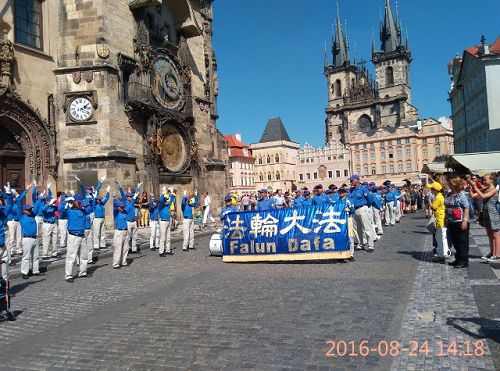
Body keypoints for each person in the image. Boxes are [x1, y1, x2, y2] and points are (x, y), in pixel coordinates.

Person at [59, 195, 91, 282]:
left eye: (79, 202)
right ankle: (68, 275)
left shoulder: (83, 211)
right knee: (71, 256)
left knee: (84, 256)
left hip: (82, 235)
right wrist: (65, 201)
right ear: (73, 203)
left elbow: (90, 207)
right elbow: (60, 209)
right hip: (73, 236)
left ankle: (83, 272)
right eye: (76, 202)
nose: (78, 203)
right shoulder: (69, 211)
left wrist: (88, 198)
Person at [469, 174, 500, 263]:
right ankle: (491, 253)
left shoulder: (494, 190)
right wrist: (471, 188)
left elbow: (482, 196)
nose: (483, 182)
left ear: (491, 180)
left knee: (495, 235)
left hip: (492, 212)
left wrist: (476, 187)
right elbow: (473, 195)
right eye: (483, 180)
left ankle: (497, 254)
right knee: (490, 234)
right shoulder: (485, 188)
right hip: (486, 212)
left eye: (485, 180)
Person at [444, 176, 470, 267]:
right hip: (451, 221)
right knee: (455, 241)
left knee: (462, 242)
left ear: (455, 185)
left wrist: (465, 221)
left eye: (450, 184)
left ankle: (464, 261)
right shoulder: (449, 194)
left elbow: (466, 207)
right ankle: (458, 258)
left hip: (460, 220)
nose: (448, 185)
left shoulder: (461, 194)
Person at [349, 175, 375, 252]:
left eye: (352, 180)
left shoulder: (363, 188)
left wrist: (366, 206)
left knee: (367, 227)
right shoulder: (352, 190)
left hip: (362, 208)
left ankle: (371, 245)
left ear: (357, 180)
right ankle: (361, 244)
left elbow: (370, 199)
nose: (350, 182)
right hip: (355, 210)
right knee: (357, 229)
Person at [117, 181, 142, 253]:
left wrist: (138, 187)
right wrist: (120, 186)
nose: (131, 197)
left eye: (131, 196)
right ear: (127, 197)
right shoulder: (124, 202)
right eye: (129, 196)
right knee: (127, 237)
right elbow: (122, 193)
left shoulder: (132, 202)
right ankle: (127, 249)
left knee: (135, 236)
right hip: (128, 222)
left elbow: (136, 194)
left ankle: (134, 249)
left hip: (134, 221)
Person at [427, 181, 449, 261]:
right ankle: (444, 253)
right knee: (442, 237)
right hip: (441, 218)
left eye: (432, 189)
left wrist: (429, 200)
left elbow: (433, 207)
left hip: (440, 219)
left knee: (440, 237)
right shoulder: (440, 196)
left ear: (435, 190)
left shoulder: (438, 197)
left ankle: (442, 254)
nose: (431, 190)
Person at [0, 187, 13, 280]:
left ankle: (5, 283)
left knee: (4, 261)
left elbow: (9, 206)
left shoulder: (2, 212)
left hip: (2, 241)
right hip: (1, 241)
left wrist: (8, 195)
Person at [112, 199, 129, 269]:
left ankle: (123, 262)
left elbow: (126, 202)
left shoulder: (125, 212)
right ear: (118, 207)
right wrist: (114, 198)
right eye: (121, 207)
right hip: (119, 231)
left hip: (125, 231)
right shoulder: (116, 212)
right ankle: (116, 264)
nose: (122, 208)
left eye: (123, 207)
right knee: (118, 248)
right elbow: (114, 204)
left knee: (125, 248)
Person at [158, 187, 176, 256]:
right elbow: (162, 200)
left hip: (168, 221)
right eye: (166, 200)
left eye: (166, 200)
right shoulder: (161, 206)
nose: (166, 201)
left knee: (168, 237)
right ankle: (161, 251)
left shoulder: (167, 206)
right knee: (162, 238)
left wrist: (171, 193)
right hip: (163, 222)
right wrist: (163, 194)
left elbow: (171, 200)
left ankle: (168, 250)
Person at [92, 186, 110, 252]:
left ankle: (102, 244)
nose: (99, 200)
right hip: (96, 219)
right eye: (98, 199)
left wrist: (108, 192)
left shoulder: (102, 204)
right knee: (96, 232)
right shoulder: (94, 205)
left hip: (102, 218)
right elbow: (93, 200)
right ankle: (96, 245)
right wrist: (95, 194)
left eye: (100, 199)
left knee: (102, 232)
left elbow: (107, 198)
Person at [41, 191, 59, 259]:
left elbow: (58, 208)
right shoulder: (44, 206)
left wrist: (53, 205)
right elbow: (43, 210)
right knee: (46, 239)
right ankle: (45, 254)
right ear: (47, 201)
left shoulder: (53, 206)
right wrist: (48, 204)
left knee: (55, 239)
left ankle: (54, 252)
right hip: (47, 224)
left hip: (54, 223)